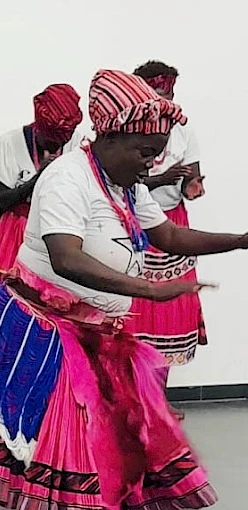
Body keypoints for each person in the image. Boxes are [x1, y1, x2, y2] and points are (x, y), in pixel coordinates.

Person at [0, 69, 229, 509]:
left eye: (156, 154)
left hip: (94, 331)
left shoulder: (124, 184)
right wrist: (148, 288)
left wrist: (241, 240)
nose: (151, 165)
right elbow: (66, 257)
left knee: (106, 455)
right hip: (45, 330)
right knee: (65, 452)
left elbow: (169, 237)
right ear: (110, 138)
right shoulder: (67, 178)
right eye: (145, 152)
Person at [0, 84, 83, 340]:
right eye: (55, 139)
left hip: (59, 228)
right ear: (40, 127)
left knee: (57, 305)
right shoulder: (9, 143)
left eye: (65, 138)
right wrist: (40, 175)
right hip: (16, 229)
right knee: (11, 309)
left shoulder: (76, 143)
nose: (60, 144)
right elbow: (4, 199)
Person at [126, 61, 206, 419]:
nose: (165, 103)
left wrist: (192, 185)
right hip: (133, 223)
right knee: (131, 316)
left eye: (169, 96)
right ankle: (129, 402)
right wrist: (161, 179)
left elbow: (193, 180)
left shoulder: (184, 132)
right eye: (157, 96)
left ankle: (157, 400)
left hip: (172, 225)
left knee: (168, 316)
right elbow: (122, 183)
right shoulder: (123, 132)